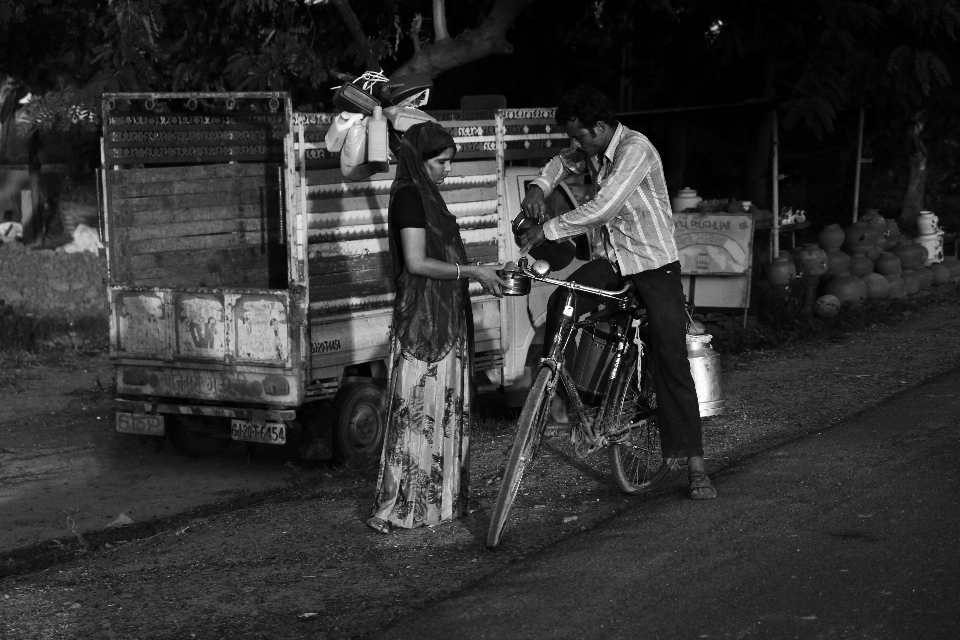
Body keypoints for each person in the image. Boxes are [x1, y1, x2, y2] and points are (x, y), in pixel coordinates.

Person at [517, 85, 717, 500]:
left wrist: (547, 229)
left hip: (654, 267)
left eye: (580, 136)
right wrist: (539, 186)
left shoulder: (635, 150)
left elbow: (603, 208)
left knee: (670, 360)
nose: (576, 145)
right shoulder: (592, 147)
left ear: (602, 127)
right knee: (563, 299)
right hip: (612, 264)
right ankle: (564, 396)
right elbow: (559, 164)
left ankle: (696, 465)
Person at [368, 121, 507, 534]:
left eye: (449, 163)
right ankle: (399, 506)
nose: (447, 170)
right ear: (418, 158)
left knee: (442, 409)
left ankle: (438, 505)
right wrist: (473, 271)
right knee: (417, 411)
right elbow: (417, 262)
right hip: (423, 320)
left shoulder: (428, 196)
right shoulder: (410, 196)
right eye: (441, 162)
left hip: (445, 315)